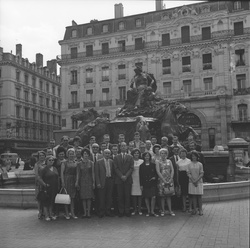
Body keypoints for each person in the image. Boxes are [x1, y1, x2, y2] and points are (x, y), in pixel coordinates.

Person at [113, 142, 134, 217]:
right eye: (122, 146)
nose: (123, 147)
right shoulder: (116, 157)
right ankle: (121, 211)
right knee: (120, 196)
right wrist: (121, 176)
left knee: (127, 196)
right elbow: (115, 168)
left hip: (128, 179)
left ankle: (127, 210)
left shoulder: (130, 157)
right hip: (119, 179)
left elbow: (131, 168)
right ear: (120, 148)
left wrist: (126, 176)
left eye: (124, 146)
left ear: (127, 147)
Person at [38, 155, 59, 221]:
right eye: (49, 160)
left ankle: (51, 214)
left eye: (52, 160)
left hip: (54, 187)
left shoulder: (55, 168)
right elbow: (39, 178)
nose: (51, 161)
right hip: (47, 187)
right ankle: (46, 215)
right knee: (46, 201)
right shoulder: (43, 169)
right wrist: (44, 184)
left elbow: (57, 177)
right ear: (46, 161)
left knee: (52, 201)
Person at [95, 149, 115, 218]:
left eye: (108, 153)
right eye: (106, 153)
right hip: (102, 181)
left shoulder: (112, 161)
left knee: (109, 197)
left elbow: (113, 172)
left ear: (110, 154)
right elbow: (96, 174)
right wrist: (98, 183)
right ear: (103, 154)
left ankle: (108, 211)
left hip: (110, 180)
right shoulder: (98, 162)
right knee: (101, 197)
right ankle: (101, 212)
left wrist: (113, 181)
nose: (107, 155)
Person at [156, 148, 175, 217]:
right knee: (162, 196)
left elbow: (172, 170)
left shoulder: (169, 161)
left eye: (164, 153)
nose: (163, 155)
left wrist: (171, 178)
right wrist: (163, 180)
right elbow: (158, 171)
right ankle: (163, 210)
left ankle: (170, 210)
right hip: (162, 180)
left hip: (169, 179)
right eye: (162, 153)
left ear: (166, 154)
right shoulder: (158, 161)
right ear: (160, 154)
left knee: (168, 196)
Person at [76, 148, 95, 218]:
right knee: (83, 198)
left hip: (89, 181)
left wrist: (93, 183)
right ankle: (84, 212)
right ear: (82, 155)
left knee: (89, 198)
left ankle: (89, 212)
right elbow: (78, 173)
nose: (86, 155)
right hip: (82, 181)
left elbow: (93, 173)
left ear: (89, 155)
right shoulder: (79, 163)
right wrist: (77, 182)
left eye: (87, 154)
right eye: (84, 154)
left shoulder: (91, 163)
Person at [139, 152, 158, 217]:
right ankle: (148, 211)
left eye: (148, 156)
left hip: (152, 183)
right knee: (146, 197)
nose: (147, 157)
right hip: (145, 183)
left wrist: (155, 177)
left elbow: (156, 173)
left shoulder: (153, 165)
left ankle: (152, 211)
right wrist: (141, 185)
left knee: (153, 197)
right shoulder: (141, 166)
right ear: (143, 157)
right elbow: (140, 176)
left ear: (150, 157)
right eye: (145, 156)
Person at [61, 148, 78, 219]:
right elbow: (62, 173)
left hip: (73, 180)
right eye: (70, 154)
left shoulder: (75, 162)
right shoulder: (64, 162)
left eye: (72, 154)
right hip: (67, 179)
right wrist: (62, 182)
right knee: (66, 197)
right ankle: (67, 213)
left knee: (72, 197)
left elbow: (77, 173)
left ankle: (72, 212)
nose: (71, 155)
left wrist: (77, 181)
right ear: (67, 155)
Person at [187, 151, 204, 216]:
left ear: (197, 157)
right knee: (193, 196)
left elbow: (201, 173)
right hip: (191, 182)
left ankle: (200, 209)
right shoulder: (189, 164)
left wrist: (196, 180)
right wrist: (193, 180)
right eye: (192, 156)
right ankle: (194, 209)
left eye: (195, 156)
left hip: (199, 182)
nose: (194, 157)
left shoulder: (200, 164)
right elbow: (188, 173)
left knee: (199, 196)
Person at [131, 149, 143, 216]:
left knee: (140, 195)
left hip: (140, 179)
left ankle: (139, 210)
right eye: (135, 153)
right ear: (133, 154)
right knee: (133, 195)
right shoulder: (131, 160)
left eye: (137, 153)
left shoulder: (142, 161)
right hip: (133, 179)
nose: (136, 154)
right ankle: (134, 209)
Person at [34, 151, 46, 219]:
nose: (41, 157)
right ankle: (40, 212)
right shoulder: (37, 164)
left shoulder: (47, 163)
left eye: (43, 155)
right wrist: (41, 182)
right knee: (39, 198)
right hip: (39, 183)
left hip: (46, 182)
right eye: (40, 155)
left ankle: (44, 211)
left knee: (45, 197)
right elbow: (36, 175)